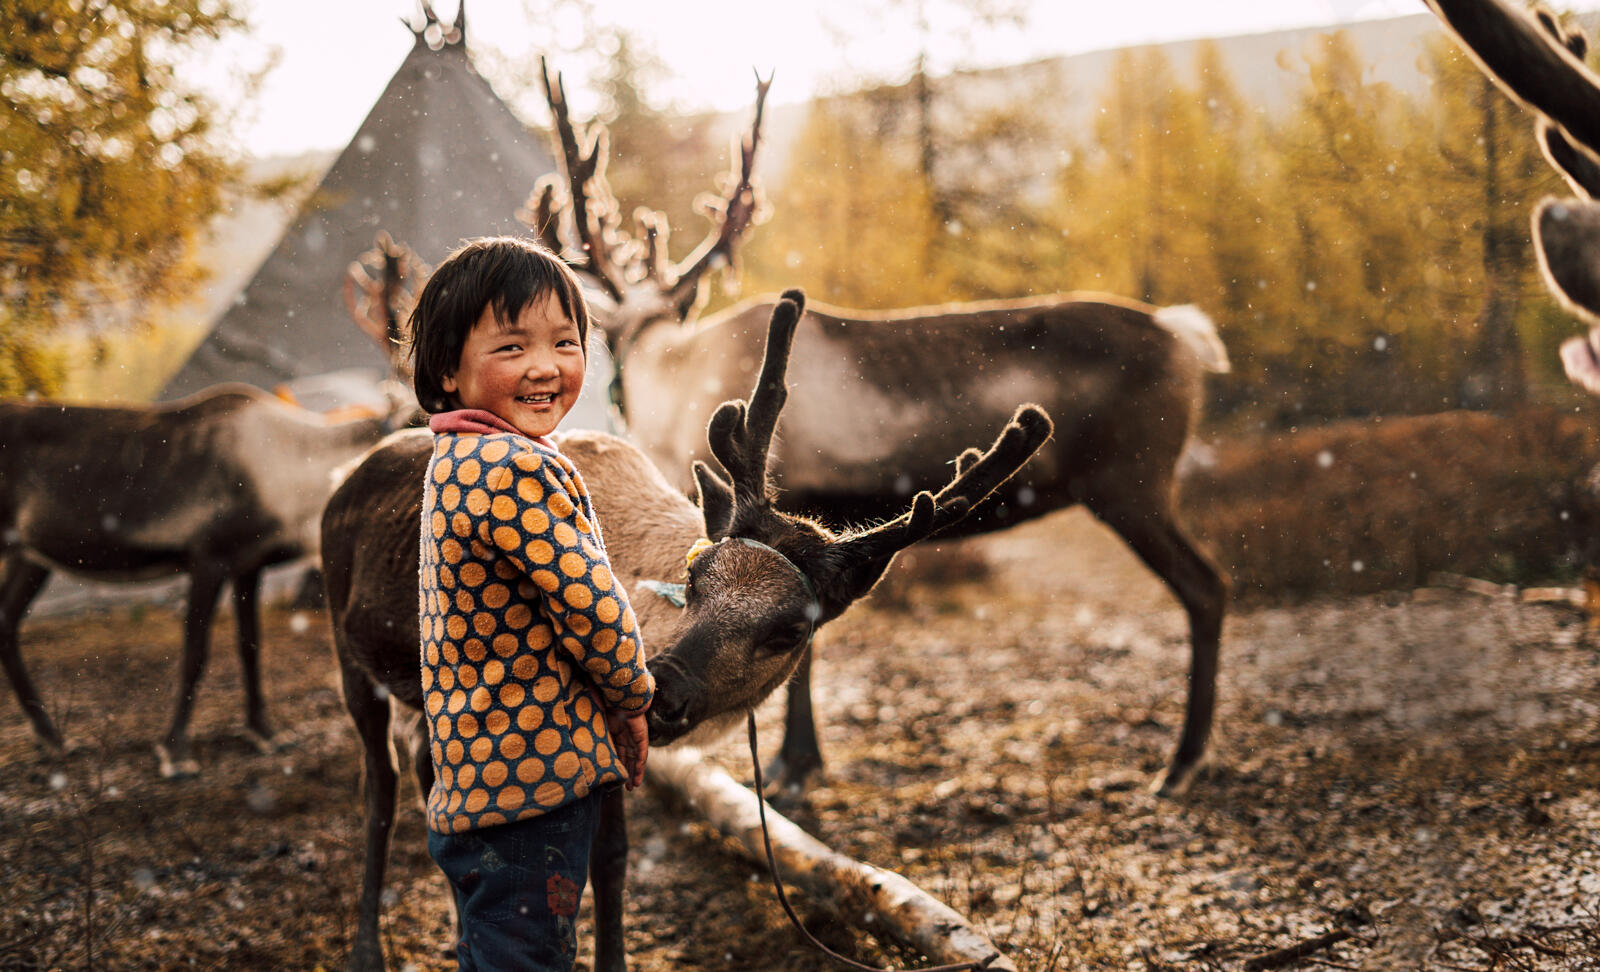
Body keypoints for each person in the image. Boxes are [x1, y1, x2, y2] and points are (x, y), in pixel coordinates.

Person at [407, 236, 655, 970]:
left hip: (477, 778)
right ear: (447, 371)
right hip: (531, 788)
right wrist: (632, 697)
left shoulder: (454, 458)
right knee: (528, 957)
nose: (545, 366)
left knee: (498, 949)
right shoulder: (512, 468)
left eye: (565, 342)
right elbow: (593, 608)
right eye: (512, 347)